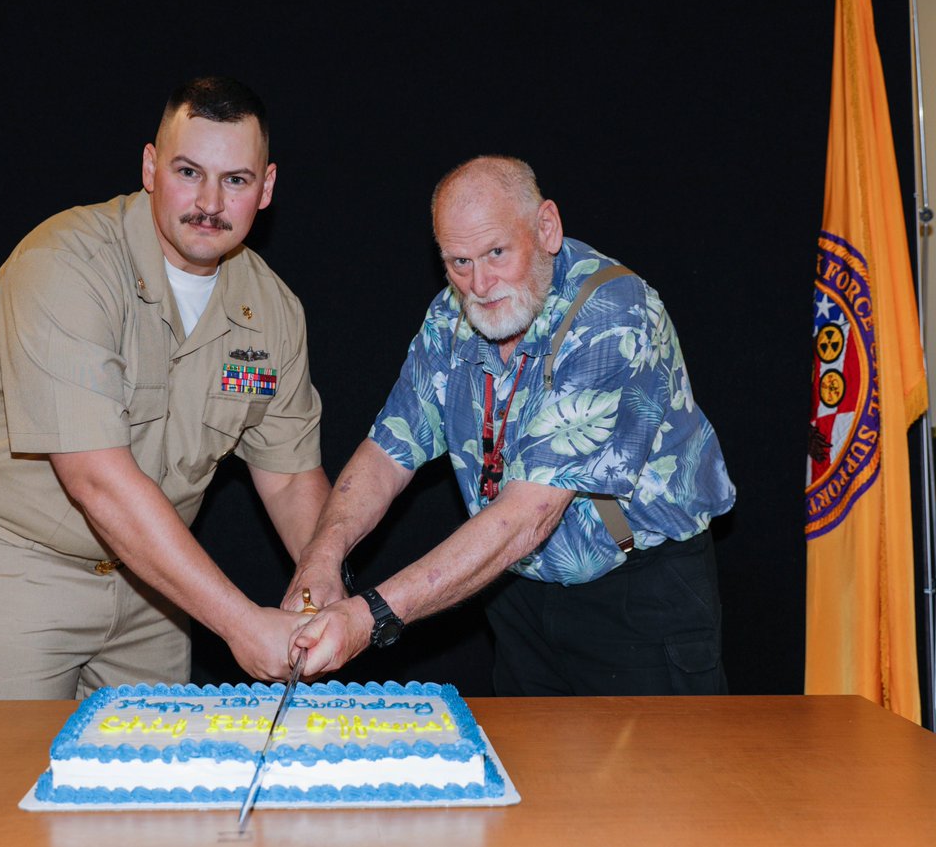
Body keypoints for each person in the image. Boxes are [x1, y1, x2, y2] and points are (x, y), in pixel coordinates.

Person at [0, 76, 330, 699]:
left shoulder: (272, 309)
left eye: (235, 180)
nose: (210, 201)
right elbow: (97, 478)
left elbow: (292, 477)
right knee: (8, 785)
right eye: (189, 171)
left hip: (153, 594)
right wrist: (242, 624)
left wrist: (323, 595)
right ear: (151, 167)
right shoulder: (66, 264)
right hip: (11, 575)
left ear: (265, 187)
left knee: (152, 788)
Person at [286, 155, 736, 696]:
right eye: (458, 262)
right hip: (518, 594)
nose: (479, 285)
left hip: (637, 597)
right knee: (526, 777)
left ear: (546, 228)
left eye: (496, 252)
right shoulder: (449, 317)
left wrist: (370, 615)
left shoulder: (612, 314)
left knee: (660, 781)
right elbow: (388, 451)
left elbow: (529, 515)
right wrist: (321, 557)